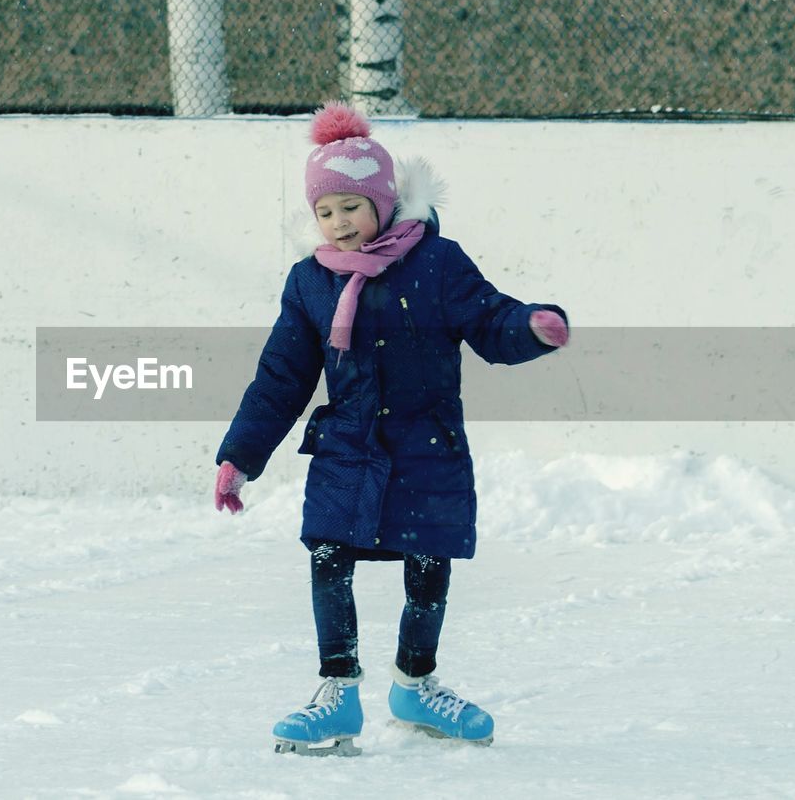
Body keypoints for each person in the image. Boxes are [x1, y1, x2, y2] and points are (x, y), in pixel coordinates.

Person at [212, 101, 569, 756]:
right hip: (347, 450)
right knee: (328, 557)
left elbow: (492, 321)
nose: (339, 223)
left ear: (382, 199)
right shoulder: (311, 282)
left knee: (428, 565)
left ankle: (416, 680)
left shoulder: (437, 264)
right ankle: (337, 690)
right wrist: (240, 455)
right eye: (325, 211)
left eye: (351, 205)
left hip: (428, 448)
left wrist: (533, 328)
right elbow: (281, 377)